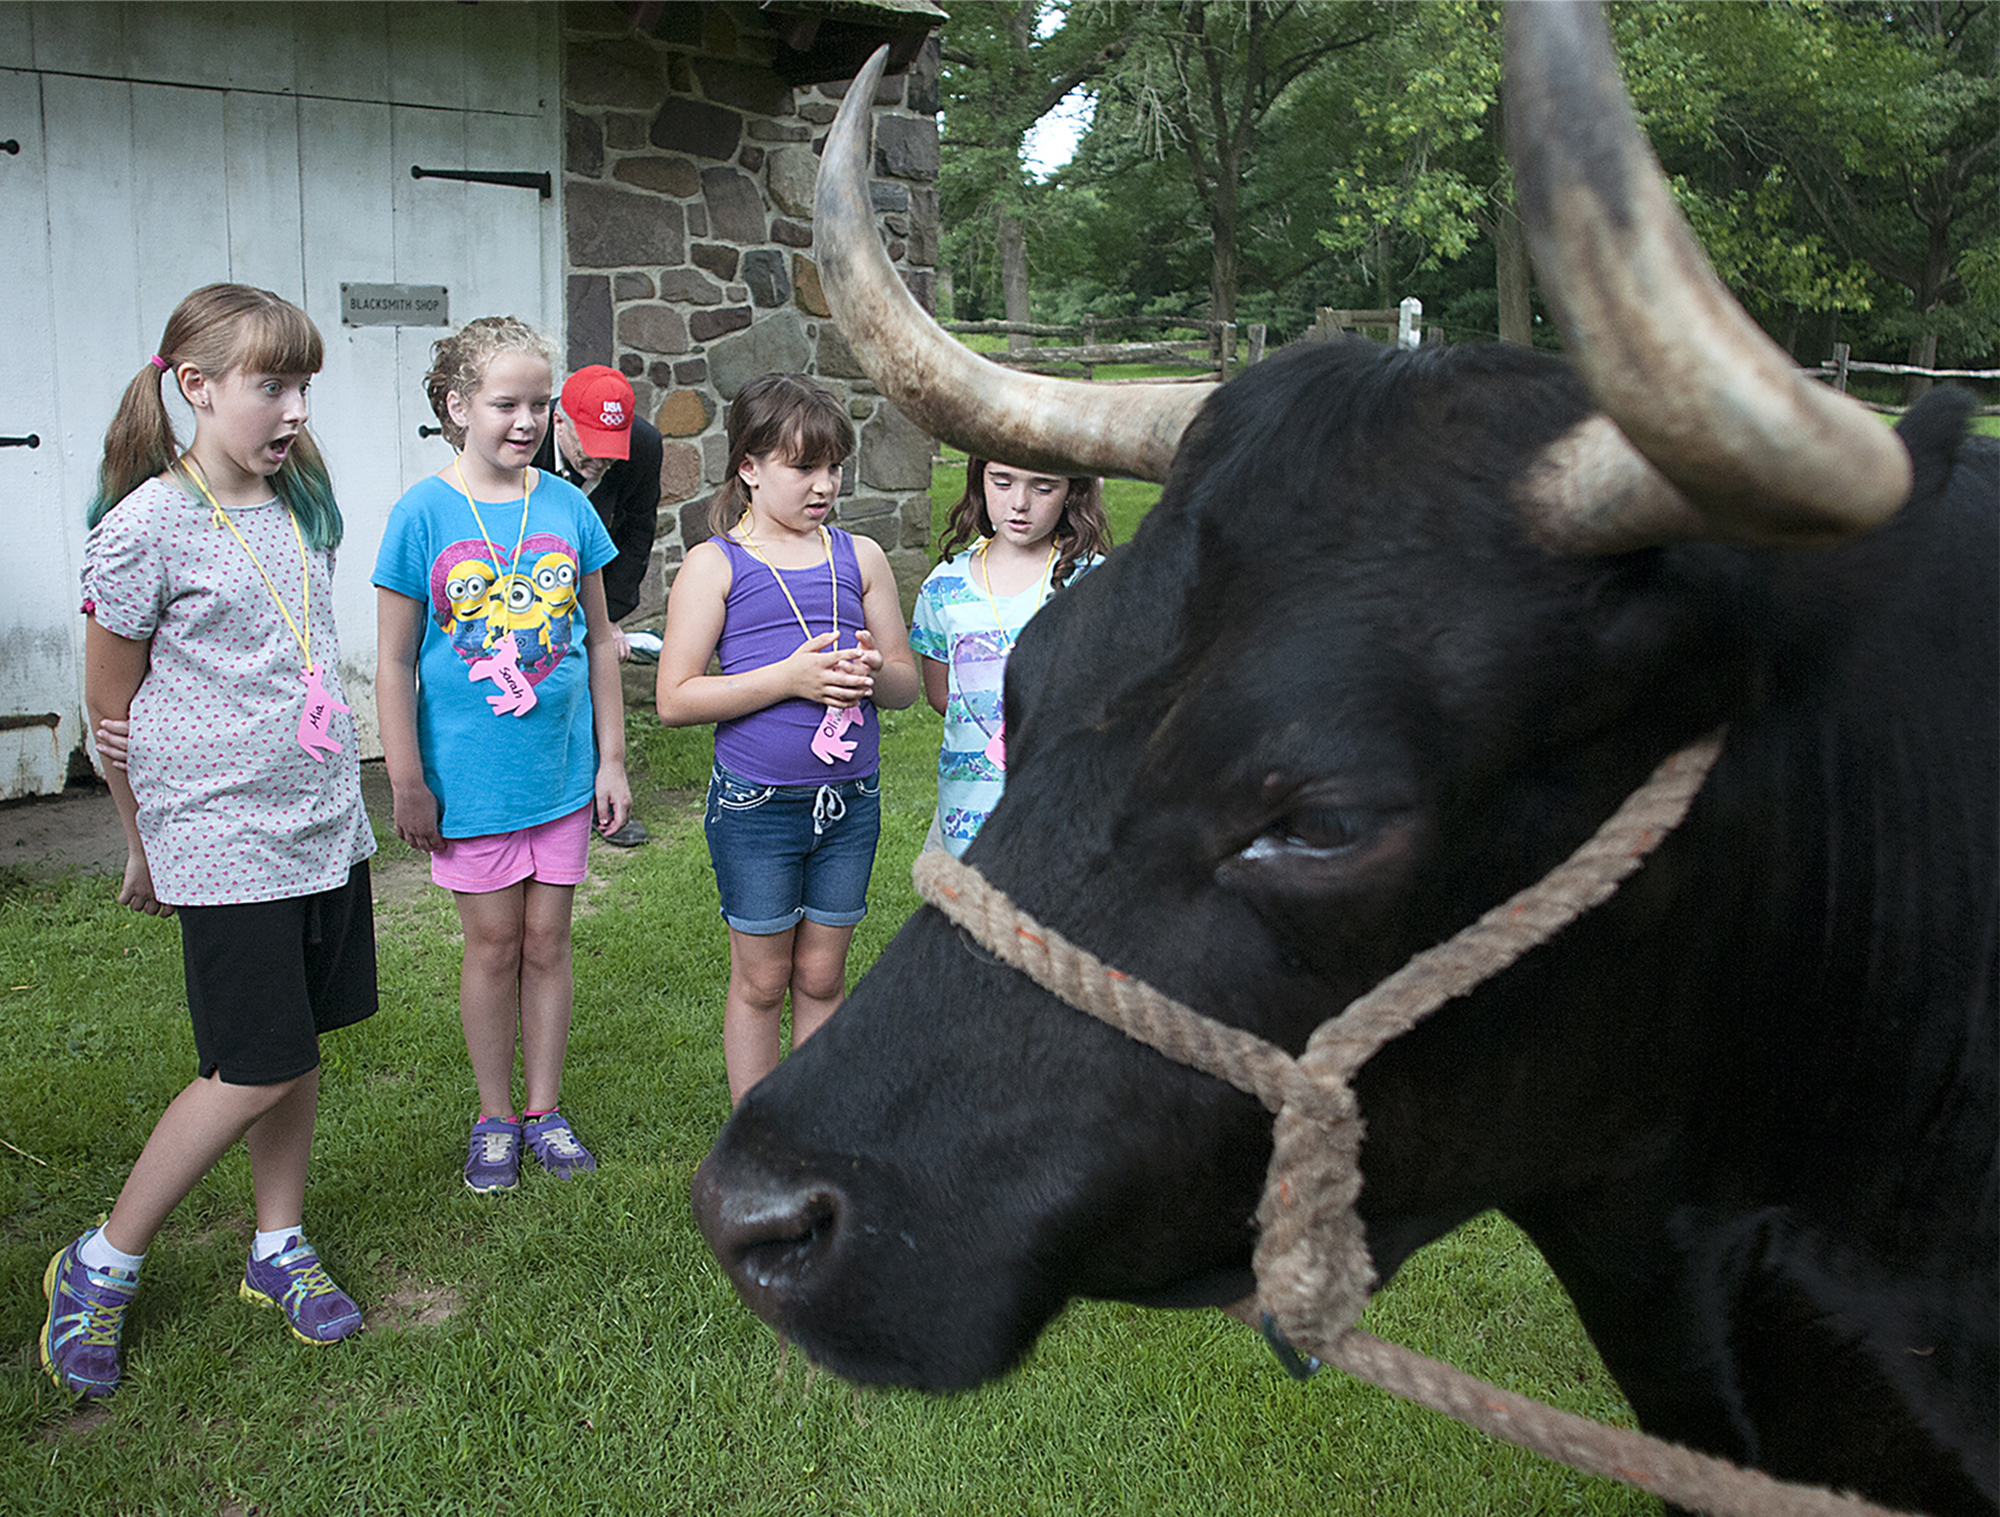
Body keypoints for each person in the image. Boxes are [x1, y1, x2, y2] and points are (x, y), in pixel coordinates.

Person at [43, 284, 378, 1400]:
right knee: (254, 1057)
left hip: (320, 818)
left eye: (303, 386)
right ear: (196, 386)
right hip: (221, 833)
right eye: (270, 385)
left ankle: (275, 1243)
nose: (293, 409)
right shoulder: (143, 525)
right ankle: (100, 1261)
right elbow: (111, 717)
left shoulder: (301, 500)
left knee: (298, 1042)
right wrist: (143, 843)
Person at [373, 316, 631, 1193]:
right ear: (457, 406)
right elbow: (395, 658)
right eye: (504, 403)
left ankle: (544, 1110)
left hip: (558, 776)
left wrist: (612, 760)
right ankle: (493, 1114)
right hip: (468, 785)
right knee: (492, 947)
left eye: (539, 404)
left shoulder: (568, 506)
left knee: (549, 941)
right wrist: (406, 777)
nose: (525, 421)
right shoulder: (422, 514)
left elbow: (601, 639)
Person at [655, 373, 918, 1106]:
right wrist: (790, 679)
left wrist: (872, 674)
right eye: (803, 467)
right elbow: (675, 698)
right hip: (757, 806)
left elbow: (902, 686)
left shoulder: (858, 557)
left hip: (849, 800)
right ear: (749, 467)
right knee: (764, 978)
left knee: (822, 976)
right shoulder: (717, 565)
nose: (823, 484)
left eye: (833, 466)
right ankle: (756, 1132)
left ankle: (806, 1125)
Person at [910, 459, 1110, 856]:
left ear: (1073, 490)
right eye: (1002, 483)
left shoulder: (1096, 582)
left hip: (1061, 809)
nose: (1019, 503)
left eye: (1043, 487)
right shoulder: (944, 587)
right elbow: (940, 696)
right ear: (978, 481)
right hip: (967, 810)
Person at [531, 365, 662, 848]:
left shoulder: (643, 448)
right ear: (559, 421)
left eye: (611, 450)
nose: (600, 461)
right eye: (589, 447)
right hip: (527, 576)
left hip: (596, 571)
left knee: (595, 669)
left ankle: (604, 800)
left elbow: (636, 535)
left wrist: (607, 619)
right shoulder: (527, 440)